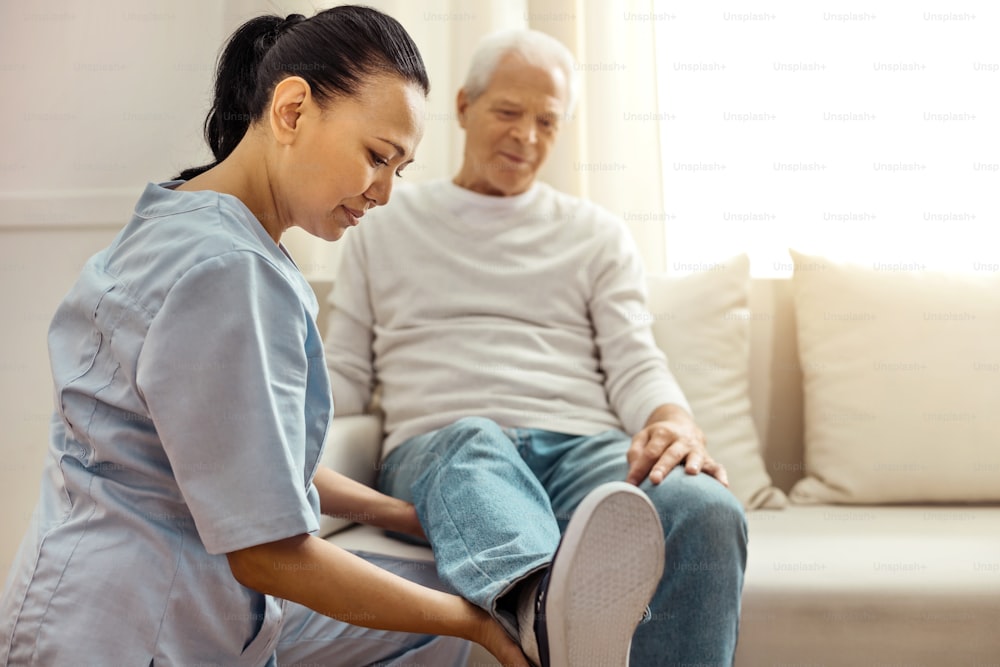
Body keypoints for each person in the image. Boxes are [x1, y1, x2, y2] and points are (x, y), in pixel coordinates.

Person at [0, 7, 531, 666]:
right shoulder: (231, 273)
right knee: (454, 615)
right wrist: (476, 624)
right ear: (290, 110)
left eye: (401, 168)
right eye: (376, 156)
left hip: (80, 596)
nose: (386, 192)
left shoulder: (181, 211)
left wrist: (403, 515)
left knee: (431, 594)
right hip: (134, 631)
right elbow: (268, 552)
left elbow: (246, 457)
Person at [325, 28, 749, 667]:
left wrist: (673, 422)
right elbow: (346, 373)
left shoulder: (596, 235)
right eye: (508, 112)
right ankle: (549, 618)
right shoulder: (381, 222)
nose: (526, 137)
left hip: (581, 448)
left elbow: (635, 360)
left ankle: (554, 626)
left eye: (547, 122)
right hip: (448, 450)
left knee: (704, 506)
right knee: (473, 439)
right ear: (465, 106)